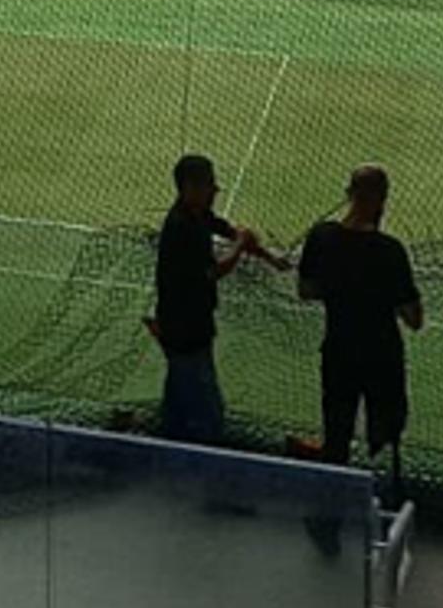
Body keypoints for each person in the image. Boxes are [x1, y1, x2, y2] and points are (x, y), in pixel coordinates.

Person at [294, 163, 423, 474]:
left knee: (337, 433)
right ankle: (384, 499)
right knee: (385, 438)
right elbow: (414, 318)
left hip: (339, 351)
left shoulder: (322, 237)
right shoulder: (390, 252)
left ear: (348, 195)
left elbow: (306, 290)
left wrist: (342, 290)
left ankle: (331, 502)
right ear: (382, 200)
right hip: (382, 358)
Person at [145, 151, 278, 446]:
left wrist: (269, 257)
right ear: (190, 188)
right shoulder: (183, 228)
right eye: (209, 185)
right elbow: (214, 271)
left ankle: (171, 451)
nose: (215, 191)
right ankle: (204, 462)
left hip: (184, 324)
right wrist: (241, 245)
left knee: (178, 396)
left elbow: (229, 230)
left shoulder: (196, 214)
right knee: (207, 408)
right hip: (186, 329)